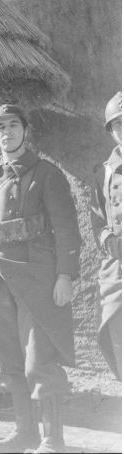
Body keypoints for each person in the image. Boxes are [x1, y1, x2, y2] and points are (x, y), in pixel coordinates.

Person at [0, 104, 82, 454]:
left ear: (25, 131)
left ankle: (53, 439)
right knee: (11, 360)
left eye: (13, 125)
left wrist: (65, 275)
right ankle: (25, 433)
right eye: (0, 128)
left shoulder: (47, 174)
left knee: (40, 361)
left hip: (37, 278)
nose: (7, 132)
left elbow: (66, 229)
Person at [91, 91, 122, 381]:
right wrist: (105, 237)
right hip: (118, 271)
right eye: (119, 124)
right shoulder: (104, 173)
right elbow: (97, 215)